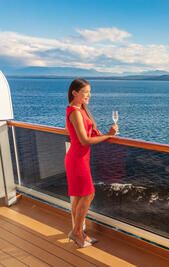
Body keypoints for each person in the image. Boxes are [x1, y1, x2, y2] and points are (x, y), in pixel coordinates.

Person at [65, 78, 118, 248]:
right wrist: (108, 136)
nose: (89, 95)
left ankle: (77, 231)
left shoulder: (81, 110)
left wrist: (99, 131)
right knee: (88, 194)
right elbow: (84, 140)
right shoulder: (74, 111)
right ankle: (78, 232)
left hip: (80, 158)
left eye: (90, 92)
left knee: (81, 195)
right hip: (77, 159)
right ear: (75, 92)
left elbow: (83, 132)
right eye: (86, 92)